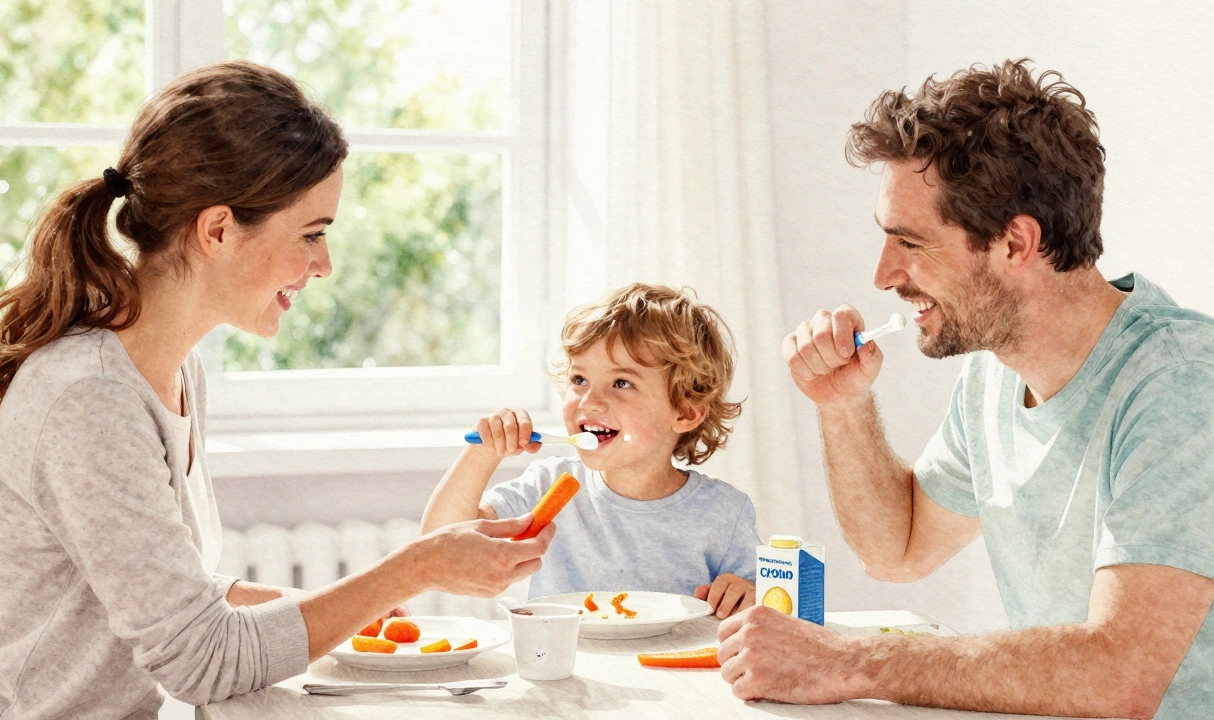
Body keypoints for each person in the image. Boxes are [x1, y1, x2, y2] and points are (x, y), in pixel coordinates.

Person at [0, 61, 553, 718]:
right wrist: (411, 570)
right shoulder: (90, 398)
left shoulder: (169, 368)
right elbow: (202, 661)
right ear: (218, 229)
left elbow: (168, 594)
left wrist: (351, 606)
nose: (325, 265)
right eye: (311, 234)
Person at [717, 59, 1214, 718]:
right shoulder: (993, 373)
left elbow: (1118, 678)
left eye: (909, 242)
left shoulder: (1179, 387)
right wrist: (844, 406)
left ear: (1015, 243)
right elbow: (898, 548)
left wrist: (847, 660)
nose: (883, 273)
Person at [422, 283, 761, 618]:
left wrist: (748, 594)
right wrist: (482, 455)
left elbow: (767, 606)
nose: (590, 401)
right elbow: (439, 544)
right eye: (580, 379)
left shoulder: (724, 513)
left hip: (667, 672)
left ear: (685, 412)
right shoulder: (550, 486)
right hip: (564, 669)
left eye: (622, 383)